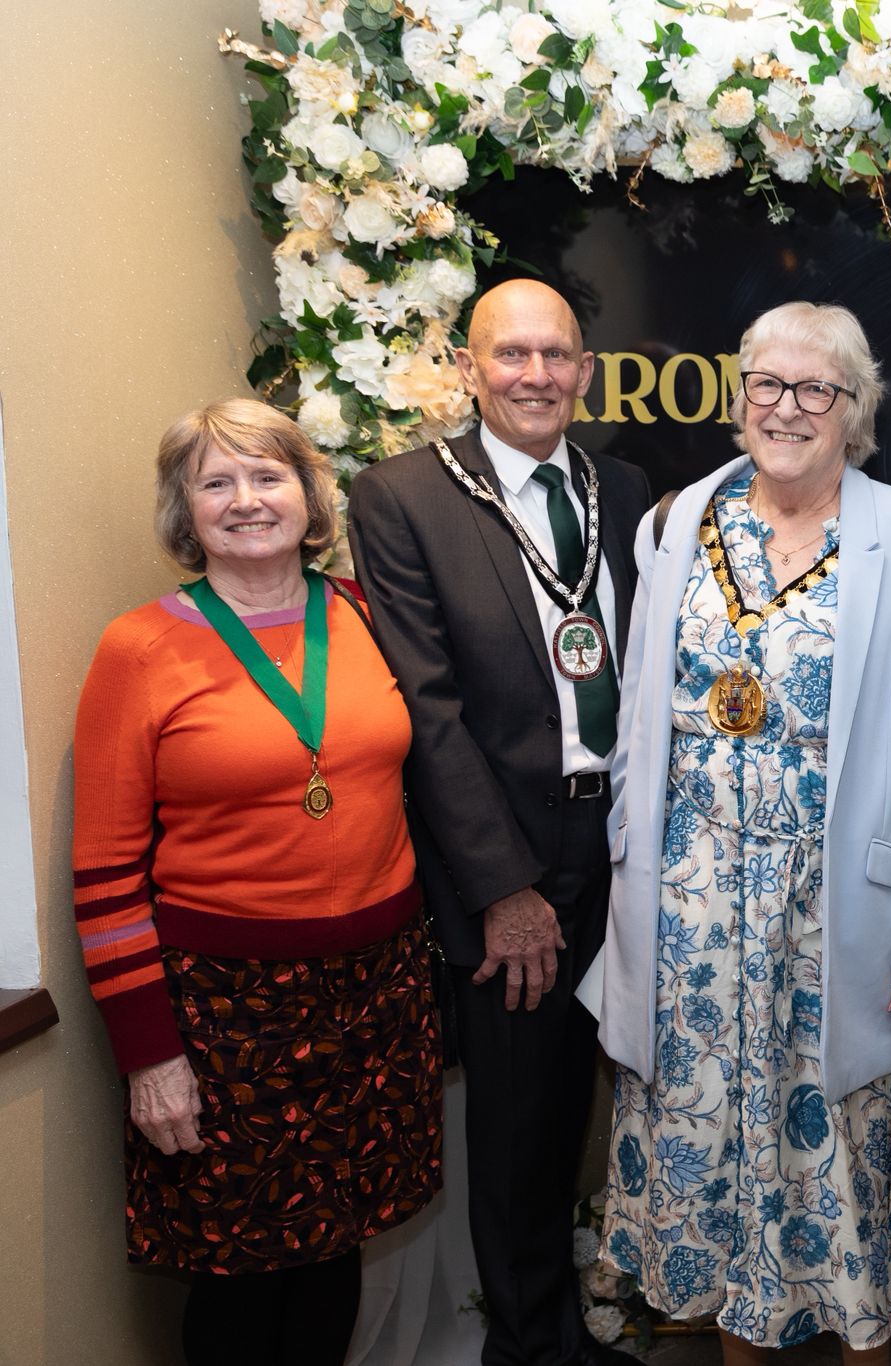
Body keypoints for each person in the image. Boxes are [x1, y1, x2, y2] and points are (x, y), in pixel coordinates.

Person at [583, 300, 891, 1356]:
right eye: (767, 382)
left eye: (816, 388)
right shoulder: (677, 522)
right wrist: (628, 877)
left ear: (854, 410)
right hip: (691, 920)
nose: (787, 407)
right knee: (715, 1179)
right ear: (739, 395)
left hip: (840, 919)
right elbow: (638, 718)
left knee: (843, 1175)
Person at [71, 398, 440, 1366]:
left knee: (337, 1245)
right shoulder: (138, 649)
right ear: (184, 511)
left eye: (269, 475)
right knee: (238, 1271)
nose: (246, 500)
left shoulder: (367, 615)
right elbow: (104, 875)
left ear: (309, 495)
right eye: (216, 482)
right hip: (226, 1012)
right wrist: (150, 1058)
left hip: (376, 990)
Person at [349, 278, 651, 1366]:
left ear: (586, 371)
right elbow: (426, 710)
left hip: (623, 846)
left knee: (587, 1106)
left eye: (556, 354)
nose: (535, 375)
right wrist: (503, 889)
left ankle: (561, 1330)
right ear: (467, 368)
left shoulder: (621, 487)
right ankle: (526, 1349)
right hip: (512, 856)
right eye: (511, 354)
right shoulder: (404, 497)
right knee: (520, 1121)